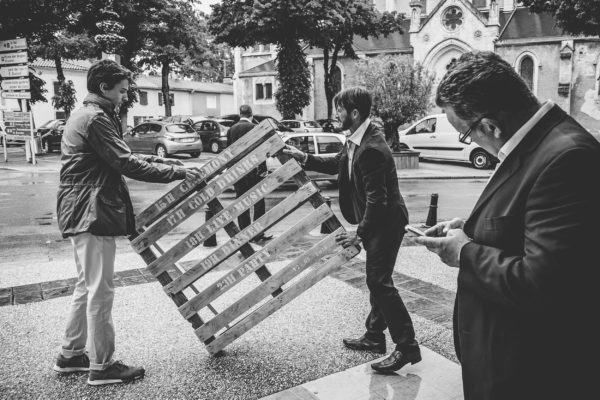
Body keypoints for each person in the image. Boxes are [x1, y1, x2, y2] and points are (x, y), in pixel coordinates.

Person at [416, 51, 600, 399]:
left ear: (490, 125)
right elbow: (523, 222)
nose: (470, 142)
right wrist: (471, 228)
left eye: (466, 134)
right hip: (505, 363)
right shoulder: (536, 142)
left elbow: (544, 284)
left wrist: (464, 252)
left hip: (531, 373)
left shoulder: (568, 156)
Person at [53, 59, 201, 386]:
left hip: (81, 209)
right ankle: (102, 367)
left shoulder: (86, 115)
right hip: (91, 211)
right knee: (100, 291)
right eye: (121, 91)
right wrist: (176, 171)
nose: (124, 96)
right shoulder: (96, 118)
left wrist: (164, 162)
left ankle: (71, 354)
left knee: (86, 286)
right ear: (104, 87)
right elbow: (124, 162)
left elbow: (122, 156)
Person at [284, 87, 421, 373]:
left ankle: (407, 347)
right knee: (377, 280)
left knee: (379, 282)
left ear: (354, 113)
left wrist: (359, 232)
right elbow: (337, 164)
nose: (335, 115)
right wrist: (304, 157)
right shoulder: (356, 139)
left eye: (339, 110)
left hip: (386, 222)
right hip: (378, 221)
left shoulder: (371, 148)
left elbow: (378, 200)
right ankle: (373, 337)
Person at [227, 104, 272, 242]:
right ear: (251, 114)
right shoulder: (254, 128)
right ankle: (258, 233)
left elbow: (228, 152)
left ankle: (244, 234)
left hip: (238, 173)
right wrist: (263, 169)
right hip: (254, 171)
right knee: (258, 202)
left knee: (241, 202)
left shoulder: (231, 130)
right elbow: (261, 150)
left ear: (240, 114)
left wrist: (230, 171)